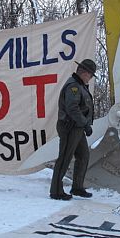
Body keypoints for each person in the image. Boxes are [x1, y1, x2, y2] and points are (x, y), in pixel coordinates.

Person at [49, 59, 96, 200]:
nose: (91, 78)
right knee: (64, 158)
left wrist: (84, 124)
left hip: (77, 127)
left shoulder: (80, 85)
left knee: (83, 155)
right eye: (91, 75)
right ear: (84, 73)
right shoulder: (73, 86)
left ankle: (77, 187)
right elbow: (72, 108)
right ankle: (56, 191)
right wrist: (85, 123)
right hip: (70, 126)